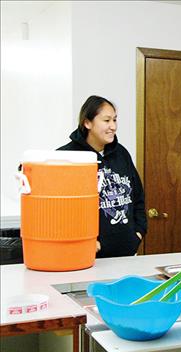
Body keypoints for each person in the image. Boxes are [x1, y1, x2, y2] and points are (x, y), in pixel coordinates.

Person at [58, 95, 147, 258]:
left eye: (115, 120)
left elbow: (138, 196)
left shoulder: (121, 153)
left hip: (128, 253)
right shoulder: (68, 156)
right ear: (87, 122)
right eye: (106, 121)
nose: (113, 126)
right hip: (90, 257)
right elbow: (59, 210)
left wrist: (138, 232)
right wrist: (82, 241)